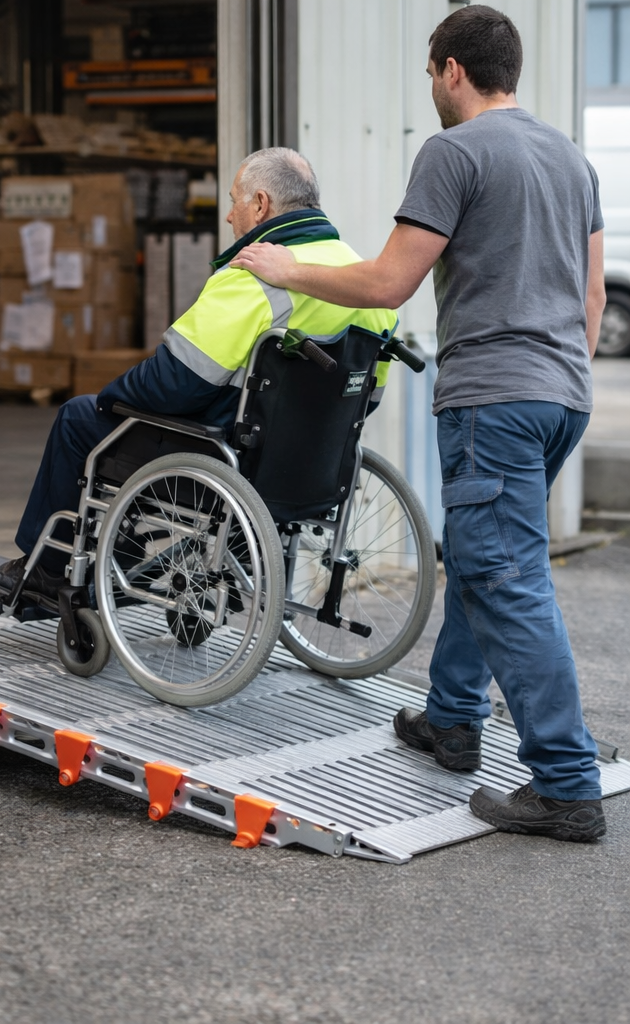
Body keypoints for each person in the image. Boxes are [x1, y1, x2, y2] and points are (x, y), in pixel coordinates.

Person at [230, 5, 607, 842]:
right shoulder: (569, 159)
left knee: (506, 579)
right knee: (484, 554)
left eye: (430, 74)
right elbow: (592, 299)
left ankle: (566, 782)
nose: (431, 88)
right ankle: (451, 718)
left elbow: (390, 282)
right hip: (560, 397)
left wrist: (288, 264)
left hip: (495, 399)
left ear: (450, 70)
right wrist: (555, 377)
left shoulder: (454, 150)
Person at [0, 147, 397, 603]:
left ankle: (47, 571)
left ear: (261, 204)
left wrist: (111, 396)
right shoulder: (359, 278)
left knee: (83, 419)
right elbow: (367, 398)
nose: (228, 216)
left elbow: (174, 384)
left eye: (235, 200)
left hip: (229, 462)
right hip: (313, 467)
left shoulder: (254, 275)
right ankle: (127, 557)